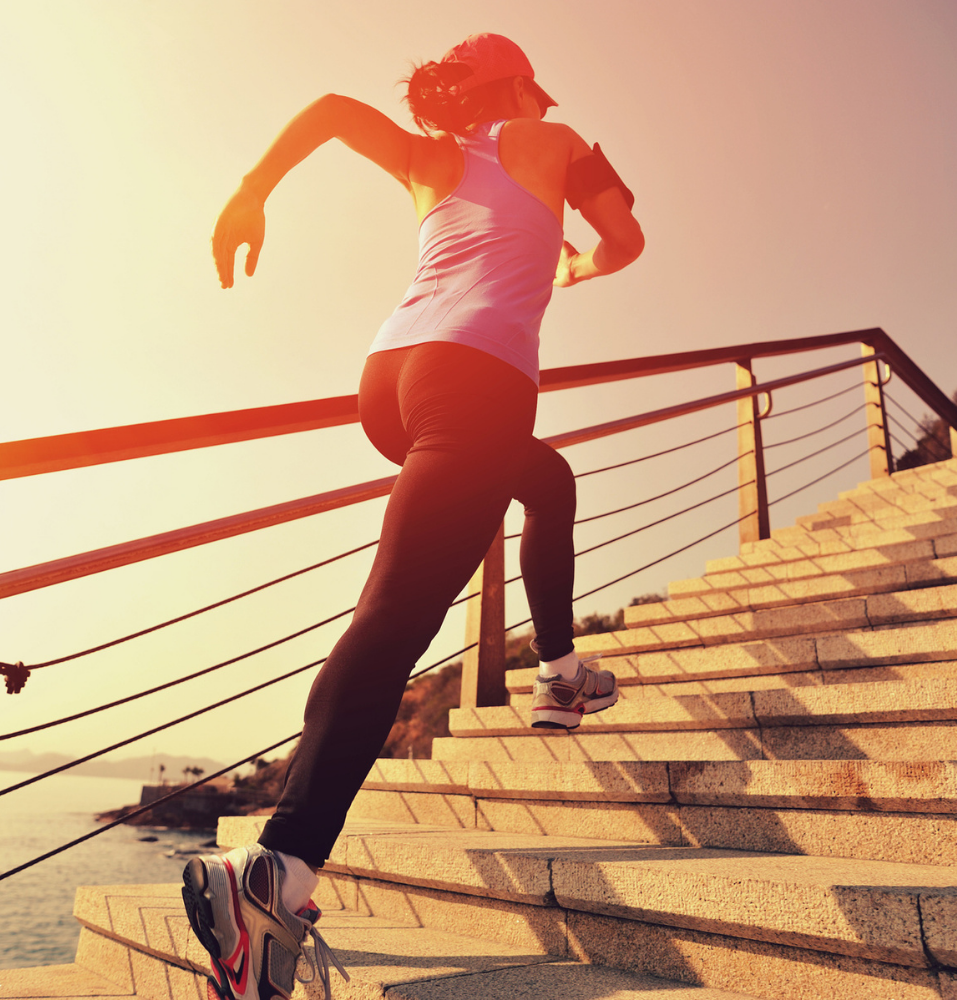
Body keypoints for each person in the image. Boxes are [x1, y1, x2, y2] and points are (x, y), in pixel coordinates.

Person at [182, 32, 644, 1000]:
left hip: (391, 380)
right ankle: (278, 868)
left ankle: (561, 674)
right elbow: (627, 243)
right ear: (522, 81)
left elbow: (330, 112)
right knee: (395, 620)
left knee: (544, 480)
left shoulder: (431, 158)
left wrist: (251, 191)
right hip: (477, 377)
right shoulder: (555, 138)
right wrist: (577, 270)